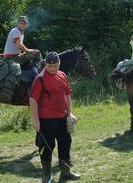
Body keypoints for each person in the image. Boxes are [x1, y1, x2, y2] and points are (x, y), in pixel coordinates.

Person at [29, 52, 80, 183]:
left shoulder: (62, 75)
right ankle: (47, 176)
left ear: (59, 64)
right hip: (46, 120)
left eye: (56, 66)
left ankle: (66, 172)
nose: (53, 69)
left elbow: (67, 95)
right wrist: (35, 120)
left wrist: (70, 114)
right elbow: (33, 100)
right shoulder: (39, 79)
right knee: (47, 147)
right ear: (46, 64)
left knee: (65, 144)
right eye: (50, 66)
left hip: (63, 118)